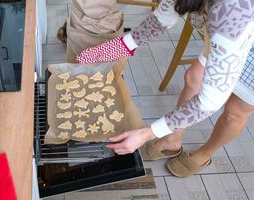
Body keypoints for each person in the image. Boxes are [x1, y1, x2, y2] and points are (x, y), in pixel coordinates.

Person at [77, 0, 254, 177]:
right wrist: (107, 51)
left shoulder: (231, 12)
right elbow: (158, 21)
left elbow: (209, 102)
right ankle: (172, 141)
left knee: (235, 111)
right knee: (193, 78)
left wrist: (149, 132)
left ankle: (204, 154)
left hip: (238, 30)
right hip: (229, 36)